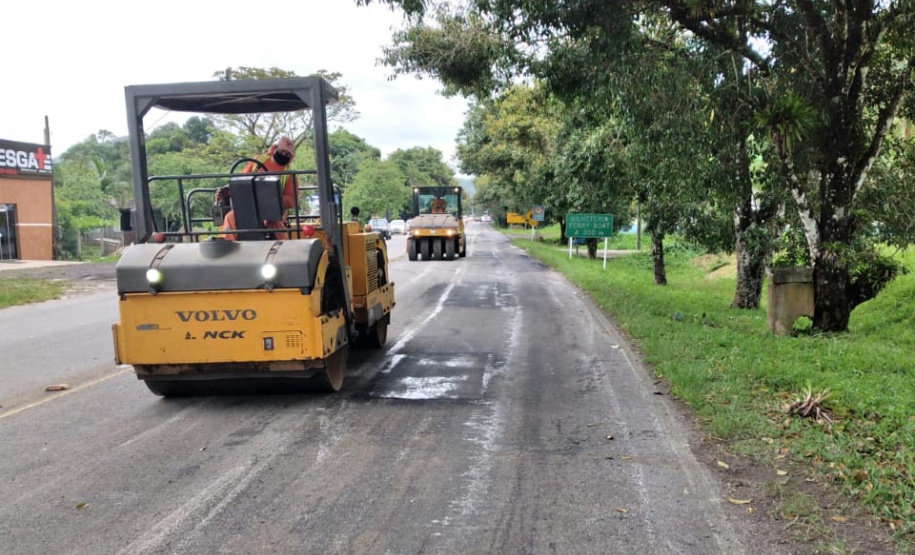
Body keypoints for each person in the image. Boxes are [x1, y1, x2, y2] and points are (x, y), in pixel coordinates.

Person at [217, 136, 298, 240]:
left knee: (275, 224)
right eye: (282, 151)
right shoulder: (257, 161)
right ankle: (229, 245)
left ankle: (281, 247)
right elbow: (241, 180)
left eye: (287, 154)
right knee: (230, 217)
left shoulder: (289, 175)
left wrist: (275, 197)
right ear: (275, 149)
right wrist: (228, 190)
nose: (284, 155)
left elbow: (292, 201)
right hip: (249, 206)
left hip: (273, 211)